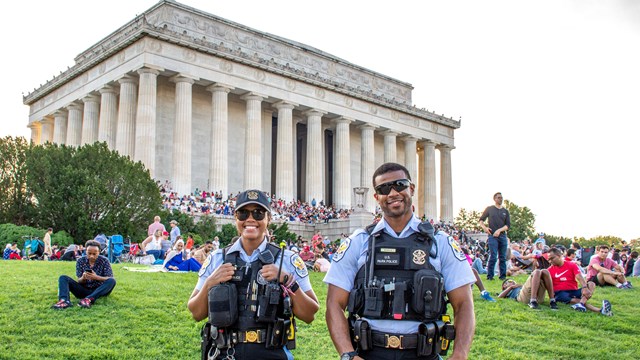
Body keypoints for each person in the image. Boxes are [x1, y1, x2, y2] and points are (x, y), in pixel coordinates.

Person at [324, 163, 475, 360]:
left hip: (423, 353)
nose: (393, 192)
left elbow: (464, 303)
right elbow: (334, 303)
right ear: (376, 197)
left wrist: (460, 355)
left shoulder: (440, 242)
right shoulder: (359, 242)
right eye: (384, 189)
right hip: (369, 353)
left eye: (399, 185)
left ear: (411, 188)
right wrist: (348, 354)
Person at [188, 189, 319, 359]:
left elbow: (309, 314)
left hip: (272, 353)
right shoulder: (217, 258)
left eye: (258, 213)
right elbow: (196, 313)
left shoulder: (286, 259)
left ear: (268, 219)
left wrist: (287, 281)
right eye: (243, 213)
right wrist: (210, 283)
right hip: (225, 353)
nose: (250, 219)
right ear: (236, 218)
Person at [51, 240, 116, 309]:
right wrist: (83, 278)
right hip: (84, 290)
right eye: (89, 253)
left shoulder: (104, 260)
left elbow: (109, 278)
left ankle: (88, 299)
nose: (91, 256)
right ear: (85, 251)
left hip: (99, 290)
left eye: (94, 254)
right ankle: (64, 301)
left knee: (112, 280)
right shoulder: (80, 261)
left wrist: (96, 277)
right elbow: (79, 281)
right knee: (63, 278)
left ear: (99, 252)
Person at [547, 248, 612, 315]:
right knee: (575, 300)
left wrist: (584, 288)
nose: (550, 261)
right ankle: (599, 310)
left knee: (591, 284)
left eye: (552, 258)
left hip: (573, 290)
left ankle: (581, 304)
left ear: (559, 256)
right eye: (549, 259)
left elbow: (579, 277)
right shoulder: (549, 270)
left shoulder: (571, 265)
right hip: (560, 293)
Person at [479, 192, 510, 281]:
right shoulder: (490, 209)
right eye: (499, 197)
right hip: (492, 236)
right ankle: (490, 276)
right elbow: (481, 220)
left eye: (501, 197)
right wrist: (484, 228)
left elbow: (507, 225)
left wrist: (499, 230)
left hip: (502, 236)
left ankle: (502, 276)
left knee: (502, 257)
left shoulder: (505, 211)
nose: (501, 199)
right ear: (495, 199)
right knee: (493, 256)